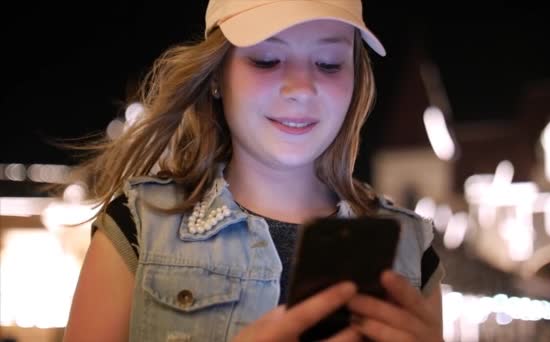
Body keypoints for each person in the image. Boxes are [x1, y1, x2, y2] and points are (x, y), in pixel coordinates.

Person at [62, 0, 445, 341]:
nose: (301, 87)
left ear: (356, 79)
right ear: (216, 76)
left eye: (328, 63)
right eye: (267, 60)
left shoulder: (411, 250)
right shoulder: (138, 230)